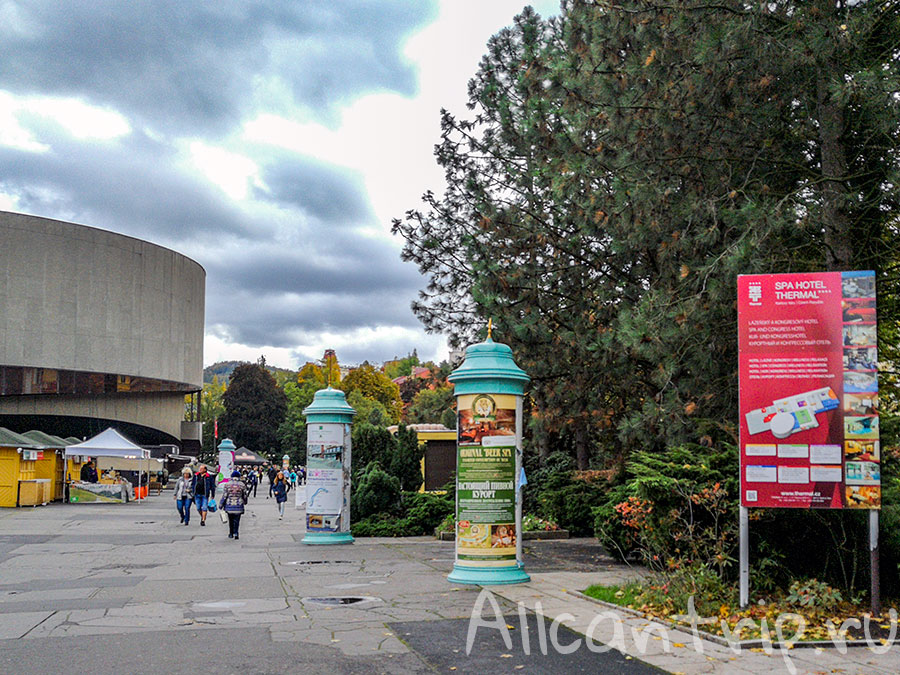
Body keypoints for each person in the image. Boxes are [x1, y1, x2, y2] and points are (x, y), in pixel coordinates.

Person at [219, 470, 249, 540]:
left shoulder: (227, 484)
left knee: (231, 520)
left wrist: (221, 504)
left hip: (229, 505)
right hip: (239, 505)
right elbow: (245, 495)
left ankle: (231, 533)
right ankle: (236, 532)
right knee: (237, 520)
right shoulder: (242, 484)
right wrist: (245, 502)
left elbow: (224, 496)